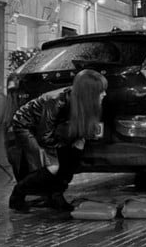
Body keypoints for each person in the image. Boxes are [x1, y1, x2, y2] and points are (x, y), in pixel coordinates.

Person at [6, 69, 108, 213]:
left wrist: (74, 150)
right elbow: (45, 136)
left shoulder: (83, 102)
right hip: (26, 126)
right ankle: (18, 194)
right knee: (52, 167)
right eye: (101, 91)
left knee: (72, 157)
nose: (104, 94)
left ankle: (56, 196)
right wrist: (62, 149)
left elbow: (79, 133)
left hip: (51, 129)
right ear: (88, 93)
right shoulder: (55, 101)